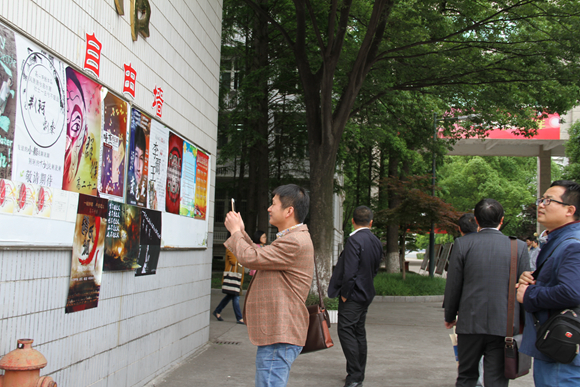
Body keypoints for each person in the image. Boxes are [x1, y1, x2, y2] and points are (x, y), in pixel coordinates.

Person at [223, 184, 313, 387]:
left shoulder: (295, 241)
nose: (269, 209)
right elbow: (260, 257)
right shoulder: (292, 238)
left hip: (280, 333)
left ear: (289, 211)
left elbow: (251, 258)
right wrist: (241, 233)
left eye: (273, 204)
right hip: (279, 333)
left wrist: (236, 232)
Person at [444, 198, 530, 387]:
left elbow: (453, 285)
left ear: (476, 220)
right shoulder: (519, 247)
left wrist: (450, 315)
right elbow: (524, 288)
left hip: (469, 324)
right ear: (502, 220)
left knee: (466, 375)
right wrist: (523, 323)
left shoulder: (462, 244)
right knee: (497, 379)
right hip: (504, 325)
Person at [517, 180, 580, 386]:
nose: (540, 204)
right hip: (557, 346)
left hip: (562, 351)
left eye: (548, 200)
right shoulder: (561, 240)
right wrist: (533, 279)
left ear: (570, 210)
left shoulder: (573, 245)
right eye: (541, 199)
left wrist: (528, 294)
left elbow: (571, 292)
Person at [328, 205, 382, 387]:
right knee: (358, 332)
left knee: (345, 331)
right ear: (371, 222)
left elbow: (349, 271)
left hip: (352, 295)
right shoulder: (375, 241)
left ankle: (355, 376)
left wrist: (344, 293)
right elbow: (375, 268)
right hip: (366, 293)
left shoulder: (353, 241)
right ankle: (358, 373)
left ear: (352, 221)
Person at [212, 248, 245, 324]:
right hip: (233, 277)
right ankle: (239, 318)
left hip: (237, 278)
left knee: (230, 296)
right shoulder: (230, 248)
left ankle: (217, 311)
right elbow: (233, 261)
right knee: (236, 297)